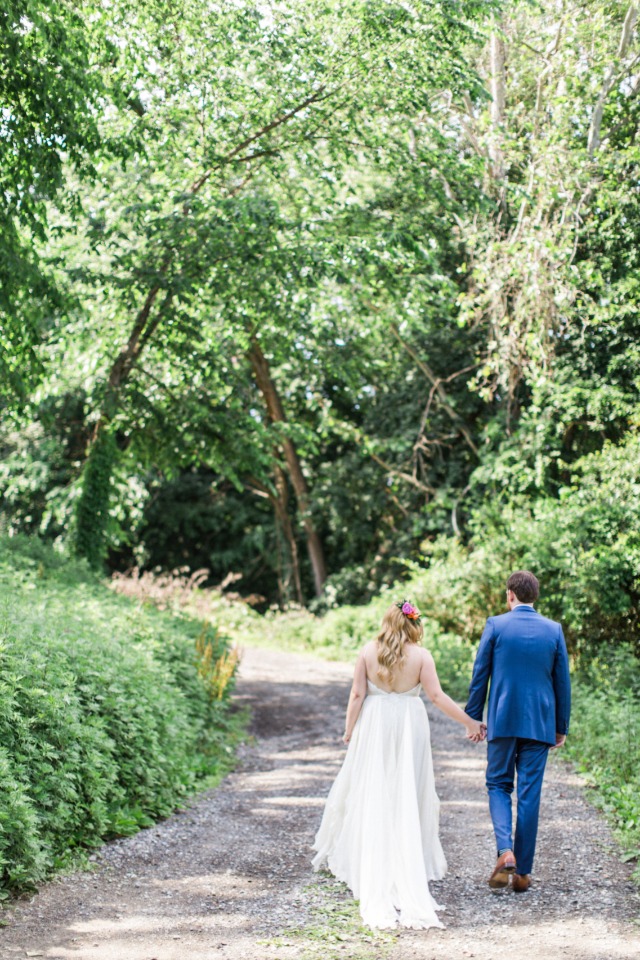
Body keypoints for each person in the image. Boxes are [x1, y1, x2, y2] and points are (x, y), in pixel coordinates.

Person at [312, 600, 485, 930]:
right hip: (409, 725)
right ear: (413, 623)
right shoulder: (422, 656)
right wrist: (469, 722)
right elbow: (436, 697)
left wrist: (350, 730)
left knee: (371, 789)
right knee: (406, 789)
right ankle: (405, 861)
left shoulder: (367, 651)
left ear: (386, 621)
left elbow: (357, 696)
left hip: (374, 726)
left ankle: (371, 858)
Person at [465, 570, 571, 893]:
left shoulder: (496, 625)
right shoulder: (553, 630)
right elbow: (562, 683)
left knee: (498, 783)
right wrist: (560, 726)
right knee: (529, 794)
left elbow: (480, 673)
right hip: (540, 724)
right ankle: (522, 872)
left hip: (503, 719)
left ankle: (504, 850)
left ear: (510, 594)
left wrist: (473, 717)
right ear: (534, 596)